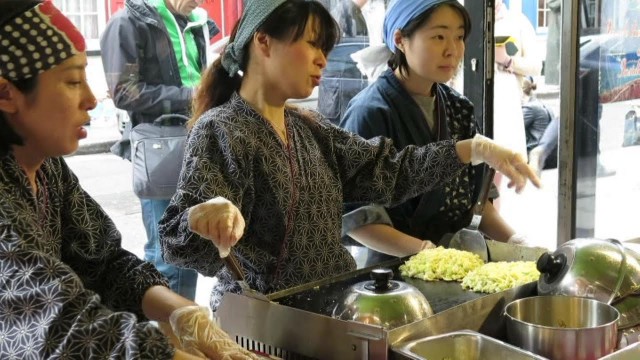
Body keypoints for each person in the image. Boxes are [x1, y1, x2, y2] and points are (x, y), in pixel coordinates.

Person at [159, 0, 541, 311]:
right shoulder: (221, 129)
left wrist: (470, 149)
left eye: (324, 49)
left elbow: (389, 170)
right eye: (311, 44)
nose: (322, 60)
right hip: (265, 324)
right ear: (263, 41)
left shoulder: (309, 128)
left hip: (329, 311)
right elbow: (178, 243)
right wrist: (200, 216)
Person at [0, 1, 256, 359]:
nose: (91, 99)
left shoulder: (48, 170)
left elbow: (105, 261)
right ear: (6, 93)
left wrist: (183, 312)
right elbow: (61, 331)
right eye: (73, 81)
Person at [338, 0, 530, 261]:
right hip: (392, 274)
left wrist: (517, 243)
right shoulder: (370, 112)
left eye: (459, 37)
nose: (452, 50)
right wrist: (425, 254)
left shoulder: (459, 108)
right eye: (439, 36)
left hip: (458, 267)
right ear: (400, 40)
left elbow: (478, 201)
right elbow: (357, 217)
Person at [100, 0, 219, 300]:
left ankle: (181, 334)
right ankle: (167, 340)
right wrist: (193, 94)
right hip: (159, 146)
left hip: (196, 139)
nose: (202, 1)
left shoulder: (194, 22)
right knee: (167, 251)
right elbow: (124, 91)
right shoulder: (128, 22)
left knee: (190, 242)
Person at [492, 0, 542, 209]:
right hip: (469, 98)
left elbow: (536, 65)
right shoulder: (465, 18)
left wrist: (508, 61)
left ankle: (489, 230)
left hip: (504, 104)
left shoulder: (517, 22)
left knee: (495, 172)